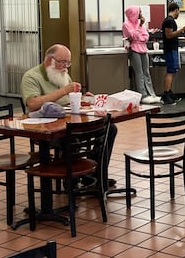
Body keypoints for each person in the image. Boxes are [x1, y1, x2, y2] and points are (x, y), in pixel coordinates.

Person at [21, 44, 117, 187]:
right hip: (45, 126)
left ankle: (95, 175)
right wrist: (64, 90)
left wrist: (84, 98)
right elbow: (32, 104)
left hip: (69, 119)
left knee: (109, 128)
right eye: (63, 62)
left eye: (68, 63)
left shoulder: (62, 74)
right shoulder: (31, 77)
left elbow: (70, 98)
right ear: (49, 60)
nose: (66, 67)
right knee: (73, 137)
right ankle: (70, 180)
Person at [123, 6, 161, 104]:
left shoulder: (141, 24)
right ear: (133, 13)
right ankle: (143, 95)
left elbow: (146, 36)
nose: (140, 14)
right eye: (139, 12)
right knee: (139, 73)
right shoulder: (126, 24)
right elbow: (133, 36)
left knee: (146, 72)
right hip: (134, 49)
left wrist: (139, 36)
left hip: (143, 48)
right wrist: (139, 27)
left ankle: (151, 94)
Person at [160, 3, 185, 105]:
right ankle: (165, 95)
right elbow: (168, 35)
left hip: (172, 48)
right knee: (170, 72)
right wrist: (182, 30)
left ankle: (169, 92)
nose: (178, 14)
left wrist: (181, 37)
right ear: (176, 10)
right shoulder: (169, 21)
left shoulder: (170, 21)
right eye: (179, 12)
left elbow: (172, 35)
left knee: (172, 71)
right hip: (170, 49)